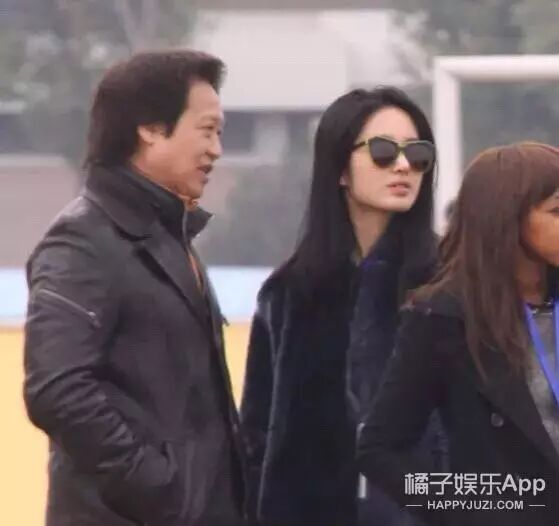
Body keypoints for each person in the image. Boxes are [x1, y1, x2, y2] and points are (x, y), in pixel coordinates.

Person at [23, 50, 247, 526]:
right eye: (206, 130)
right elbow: (57, 389)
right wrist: (157, 487)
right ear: (150, 129)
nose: (216, 151)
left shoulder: (168, 235)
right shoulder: (83, 241)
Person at [240, 86, 445, 526]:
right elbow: (257, 438)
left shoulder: (450, 283)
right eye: (383, 152)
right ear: (339, 169)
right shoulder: (289, 293)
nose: (404, 166)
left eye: (418, 153)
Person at [357, 142, 559, 526]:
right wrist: (476, 506)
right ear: (506, 217)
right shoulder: (443, 318)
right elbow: (379, 449)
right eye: (557, 211)